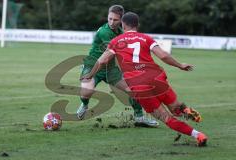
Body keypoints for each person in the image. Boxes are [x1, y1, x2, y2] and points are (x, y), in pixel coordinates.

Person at [82, 12, 208, 146]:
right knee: (176, 108)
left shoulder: (116, 41)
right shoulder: (146, 38)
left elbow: (101, 61)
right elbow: (164, 56)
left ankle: (198, 135)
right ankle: (187, 111)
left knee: (166, 118)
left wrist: (90, 74)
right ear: (137, 25)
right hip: (157, 79)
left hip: (140, 86)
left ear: (123, 25)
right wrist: (180, 65)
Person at [77, 5, 159, 127]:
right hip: (93, 65)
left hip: (110, 69)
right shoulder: (105, 32)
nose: (111, 22)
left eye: (115, 20)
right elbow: (108, 56)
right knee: (86, 92)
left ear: (121, 20)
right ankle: (84, 104)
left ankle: (139, 118)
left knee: (133, 90)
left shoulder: (121, 33)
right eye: (109, 18)